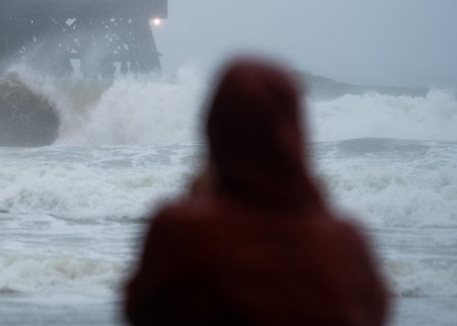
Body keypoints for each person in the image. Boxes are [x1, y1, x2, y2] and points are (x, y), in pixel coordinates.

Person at [124, 57, 389, 326]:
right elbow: (373, 312)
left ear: (215, 129)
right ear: (293, 131)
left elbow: (140, 309)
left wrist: (195, 198)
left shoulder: (178, 233)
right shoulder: (344, 244)